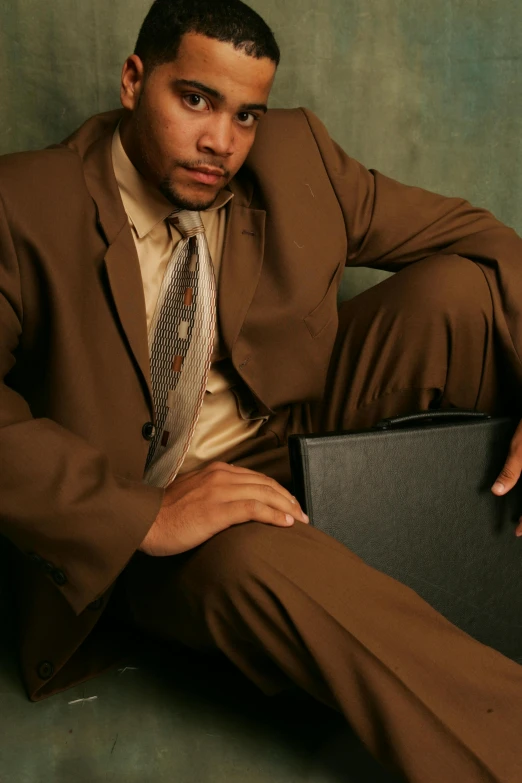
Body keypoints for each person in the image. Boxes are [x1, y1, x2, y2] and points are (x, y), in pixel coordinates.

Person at [1, 0, 522, 780]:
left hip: (290, 428)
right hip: (156, 515)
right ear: (135, 80)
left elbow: (480, 235)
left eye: (247, 115)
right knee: (281, 574)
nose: (222, 142)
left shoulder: (294, 153)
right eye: (197, 100)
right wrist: (144, 513)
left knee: (464, 293)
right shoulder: (24, 201)